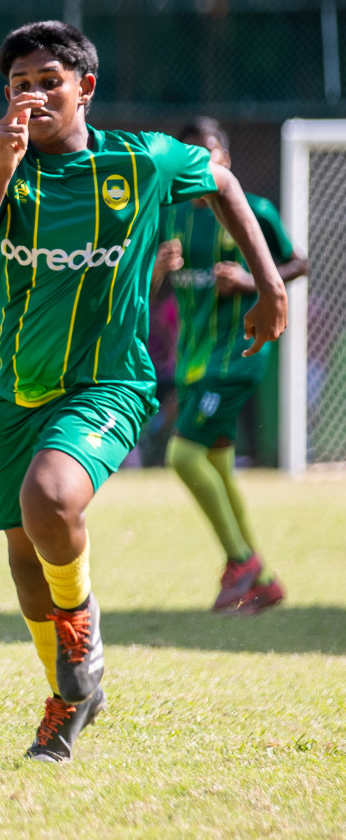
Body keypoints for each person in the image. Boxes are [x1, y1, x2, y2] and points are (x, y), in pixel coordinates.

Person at [0, 21, 286, 763]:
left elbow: (223, 183)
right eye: (18, 86)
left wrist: (268, 284)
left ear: (85, 88)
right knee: (25, 559)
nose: (31, 97)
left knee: (52, 497)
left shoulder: (143, 161)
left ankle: (81, 640)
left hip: (110, 384)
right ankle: (70, 690)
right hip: (17, 394)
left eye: (47, 82)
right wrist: (1, 170)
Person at [153, 116, 308, 615]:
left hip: (237, 358)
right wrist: (158, 271)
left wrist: (249, 281)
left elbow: (297, 263)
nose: (201, 161)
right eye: (190, 154)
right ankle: (262, 579)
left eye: (209, 152)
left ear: (225, 158)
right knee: (217, 467)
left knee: (181, 456)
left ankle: (240, 561)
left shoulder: (253, 211)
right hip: (196, 362)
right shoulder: (172, 216)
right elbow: (146, 292)